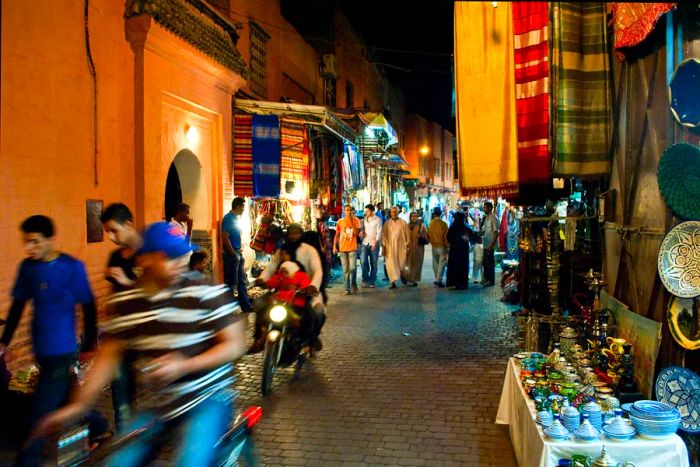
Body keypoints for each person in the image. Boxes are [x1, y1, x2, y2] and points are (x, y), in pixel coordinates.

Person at [31, 222, 247, 466]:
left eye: (181, 255)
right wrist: (77, 406)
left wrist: (183, 365)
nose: (179, 264)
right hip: (159, 403)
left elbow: (235, 345)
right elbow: (107, 359)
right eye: (168, 257)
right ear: (144, 260)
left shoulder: (206, 292)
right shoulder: (126, 303)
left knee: (191, 461)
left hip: (208, 397)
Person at [0, 215, 97, 465]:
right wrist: (5, 340)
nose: (29, 248)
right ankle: (98, 423)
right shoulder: (27, 268)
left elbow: (88, 305)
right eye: (26, 242)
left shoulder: (72, 267)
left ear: (50, 240)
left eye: (35, 241)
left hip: (62, 350)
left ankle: (28, 459)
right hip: (40, 349)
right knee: (65, 398)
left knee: (40, 412)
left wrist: (88, 345)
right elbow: (18, 304)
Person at [100, 203, 144, 431]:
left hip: (149, 336)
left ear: (128, 224)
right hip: (121, 334)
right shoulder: (115, 257)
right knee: (120, 388)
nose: (110, 236)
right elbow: (111, 293)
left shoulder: (149, 254)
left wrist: (128, 283)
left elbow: (160, 293)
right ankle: (124, 434)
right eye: (107, 231)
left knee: (152, 390)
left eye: (113, 230)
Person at [254, 224, 325, 352]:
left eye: (296, 233)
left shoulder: (309, 250)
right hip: (282, 292)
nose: (293, 236)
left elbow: (317, 270)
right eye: (291, 233)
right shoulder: (282, 251)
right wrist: (263, 279)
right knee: (259, 304)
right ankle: (258, 338)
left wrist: (312, 286)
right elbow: (271, 267)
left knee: (317, 312)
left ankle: (310, 339)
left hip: (304, 292)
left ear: (301, 234)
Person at [221, 197, 253, 312]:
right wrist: (233, 254)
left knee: (241, 281)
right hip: (232, 255)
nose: (244, 209)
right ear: (238, 206)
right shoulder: (229, 218)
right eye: (243, 207)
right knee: (232, 282)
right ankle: (228, 309)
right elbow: (225, 237)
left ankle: (246, 306)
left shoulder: (234, 218)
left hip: (237, 253)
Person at [333, 204, 361, 295]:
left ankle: (353, 283)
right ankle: (347, 289)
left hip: (353, 248)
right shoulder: (340, 222)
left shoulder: (356, 220)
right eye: (347, 210)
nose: (348, 212)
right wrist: (334, 246)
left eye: (350, 210)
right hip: (342, 248)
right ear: (344, 211)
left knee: (353, 268)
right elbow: (336, 235)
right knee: (345, 270)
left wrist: (351, 222)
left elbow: (357, 233)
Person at [381, 206, 409, 289]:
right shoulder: (387, 223)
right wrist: (384, 246)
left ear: (398, 212)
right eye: (392, 212)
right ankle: (392, 282)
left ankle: (402, 275)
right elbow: (384, 235)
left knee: (402, 263)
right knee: (391, 265)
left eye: (395, 212)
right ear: (390, 213)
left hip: (401, 246)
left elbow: (407, 235)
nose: (394, 213)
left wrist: (407, 246)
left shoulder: (403, 223)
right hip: (390, 247)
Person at [446, 211, 474, 290]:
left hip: (455, 250)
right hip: (463, 250)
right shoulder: (465, 226)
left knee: (455, 266)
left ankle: (455, 283)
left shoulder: (453, 227)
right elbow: (472, 236)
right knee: (463, 266)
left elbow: (449, 237)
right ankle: (463, 283)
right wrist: (466, 239)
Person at [360, 204, 382, 288]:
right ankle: (365, 280)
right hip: (365, 243)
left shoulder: (378, 220)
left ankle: (372, 281)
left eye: (367, 211)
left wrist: (375, 243)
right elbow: (362, 230)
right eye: (365, 211)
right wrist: (362, 231)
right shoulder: (364, 220)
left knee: (374, 263)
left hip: (374, 243)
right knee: (363, 262)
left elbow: (379, 233)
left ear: (372, 211)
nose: (366, 212)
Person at [405, 212, 428, 287]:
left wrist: (422, 235)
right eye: (412, 216)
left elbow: (428, 238)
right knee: (408, 264)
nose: (414, 218)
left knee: (417, 264)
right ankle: (408, 279)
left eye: (415, 216)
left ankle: (414, 279)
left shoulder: (422, 226)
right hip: (408, 248)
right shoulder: (407, 226)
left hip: (418, 248)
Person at [428, 207, 449, 288]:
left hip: (434, 245)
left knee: (435, 263)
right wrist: (447, 246)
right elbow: (446, 237)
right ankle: (438, 280)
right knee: (442, 264)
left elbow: (429, 234)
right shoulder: (443, 224)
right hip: (442, 246)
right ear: (441, 214)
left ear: (434, 214)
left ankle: (437, 278)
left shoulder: (431, 223)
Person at [481, 201, 499, 287]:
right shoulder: (486, 218)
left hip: (490, 245)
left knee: (490, 263)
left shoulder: (493, 218)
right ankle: (486, 278)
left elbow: (496, 233)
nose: (484, 209)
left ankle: (491, 281)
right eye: (484, 207)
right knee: (485, 262)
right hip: (485, 244)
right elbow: (484, 230)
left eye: (485, 207)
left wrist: (491, 246)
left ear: (489, 208)